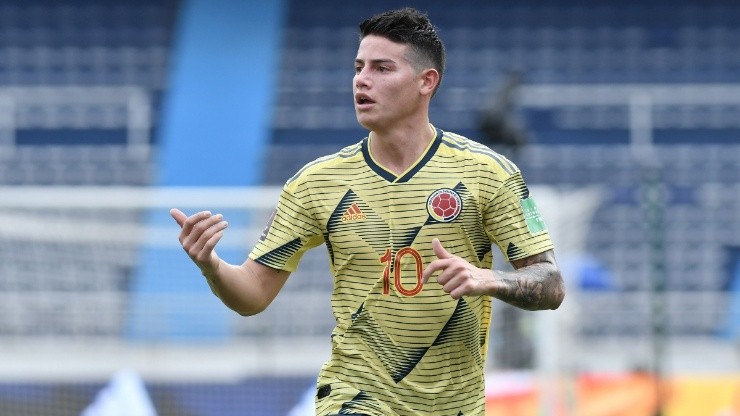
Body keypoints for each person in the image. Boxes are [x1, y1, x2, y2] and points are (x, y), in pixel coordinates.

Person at [170, 7, 565, 416]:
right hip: (355, 396)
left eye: (382, 68)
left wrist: (488, 278)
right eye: (359, 67)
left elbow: (551, 284)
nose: (362, 79)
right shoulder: (315, 183)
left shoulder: (488, 173)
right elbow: (252, 294)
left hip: (455, 404)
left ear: (426, 81)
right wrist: (212, 266)